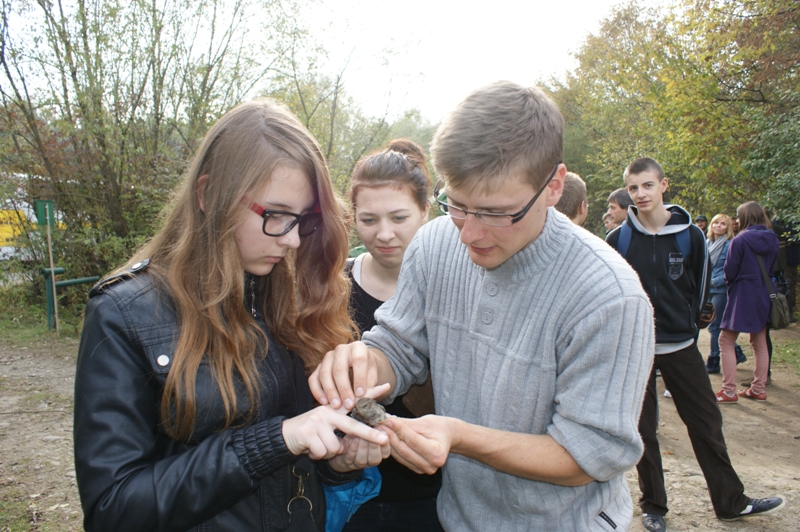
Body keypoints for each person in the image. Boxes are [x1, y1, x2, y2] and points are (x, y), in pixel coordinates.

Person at [310, 81, 655, 530]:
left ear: (553, 186)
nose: (469, 233)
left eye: (495, 212)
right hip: (457, 519)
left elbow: (586, 455)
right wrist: (363, 365)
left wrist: (458, 436)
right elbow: (400, 347)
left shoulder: (609, 297)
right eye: (456, 204)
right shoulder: (434, 243)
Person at [73, 99, 391, 532]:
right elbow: (115, 509)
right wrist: (274, 441)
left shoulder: (292, 300)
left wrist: (340, 462)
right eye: (276, 215)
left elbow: (296, 474)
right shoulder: (124, 314)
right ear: (208, 195)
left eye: (304, 219)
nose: (295, 240)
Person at [606, 158, 785, 531]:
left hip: (680, 346)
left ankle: (731, 502)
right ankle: (654, 505)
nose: (641, 194)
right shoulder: (618, 239)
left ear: (663, 185)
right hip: (635, 349)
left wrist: (689, 329)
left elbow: (701, 288)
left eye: (648, 185)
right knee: (643, 431)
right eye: (634, 188)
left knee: (706, 422)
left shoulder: (691, 236)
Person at [343, 139, 442, 531]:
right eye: (369, 220)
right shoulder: (331, 288)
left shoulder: (451, 287)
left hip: (435, 495)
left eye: (399, 218)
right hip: (352, 494)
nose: (384, 234)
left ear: (424, 211)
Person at [717, 202, 780, 403]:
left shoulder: (740, 239)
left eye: (738, 215)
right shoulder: (773, 238)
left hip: (743, 292)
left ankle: (728, 391)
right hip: (764, 291)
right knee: (759, 340)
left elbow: (730, 270)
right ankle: (758, 388)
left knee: (725, 339)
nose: (736, 220)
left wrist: (731, 285)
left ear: (745, 217)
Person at [705, 214, 746, 374]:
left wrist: (716, 281)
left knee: (715, 326)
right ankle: (737, 352)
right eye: (716, 223)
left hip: (720, 288)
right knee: (713, 324)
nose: (718, 226)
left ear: (728, 227)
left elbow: (732, 269)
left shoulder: (729, 245)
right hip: (707, 288)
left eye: (723, 224)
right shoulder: (707, 242)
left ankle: (713, 360)